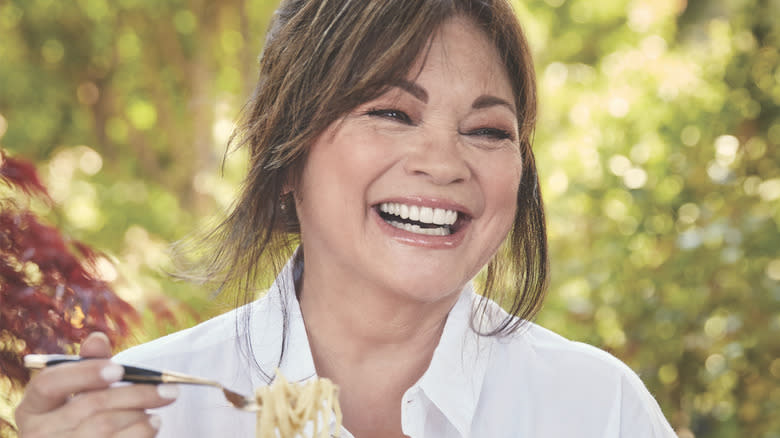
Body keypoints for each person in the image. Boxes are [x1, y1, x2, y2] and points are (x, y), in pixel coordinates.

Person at [15, 1, 678, 437]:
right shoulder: (157, 412)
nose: (444, 164)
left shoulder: (597, 409)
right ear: (287, 151)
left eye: (486, 129)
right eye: (392, 113)